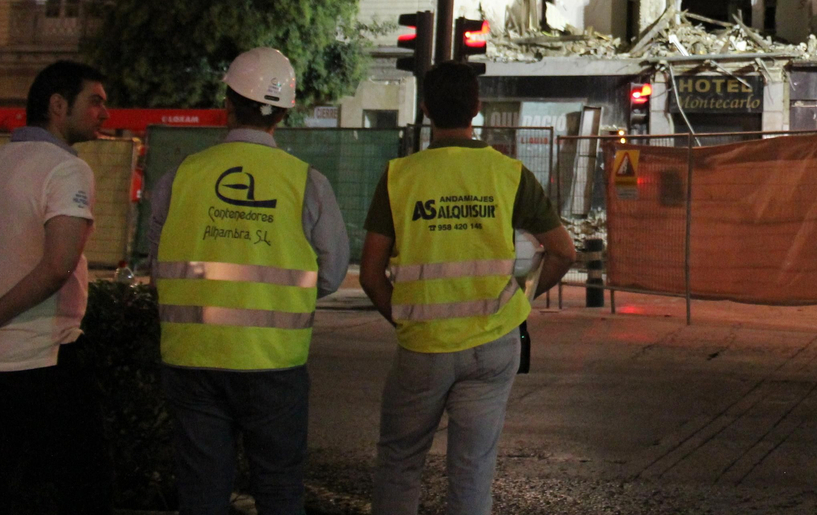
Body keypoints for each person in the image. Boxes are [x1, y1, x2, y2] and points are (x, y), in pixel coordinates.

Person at [360, 61, 576, 515]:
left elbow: (370, 273)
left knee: (400, 461)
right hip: (494, 345)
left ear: (425, 110)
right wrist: (517, 300)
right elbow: (563, 252)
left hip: (424, 348)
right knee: (473, 469)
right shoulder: (508, 173)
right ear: (476, 109)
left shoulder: (400, 177)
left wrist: (404, 317)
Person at [146, 47, 349, 515]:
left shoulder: (180, 177)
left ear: (227, 104)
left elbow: (160, 269)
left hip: (192, 361)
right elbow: (332, 272)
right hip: (274, 364)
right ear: (283, 114)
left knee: (202, 495)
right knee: (278, 491)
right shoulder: (306, 183)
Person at [0, 61, 114, 515]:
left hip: (3, 359)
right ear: (58, 105)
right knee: (86, 487)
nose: (106, 113)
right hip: (43, 356)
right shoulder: (66, 170)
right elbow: (57, 267)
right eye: (96, 101)